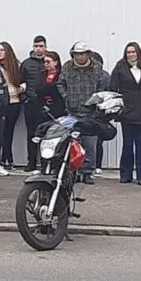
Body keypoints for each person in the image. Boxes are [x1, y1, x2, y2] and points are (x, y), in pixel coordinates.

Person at [57, 41, 106, 185]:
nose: (79, 57)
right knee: (73, 143)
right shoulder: (67, 67)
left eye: (82, 54)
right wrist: (66, 97)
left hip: (91, 113)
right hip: (72, 111)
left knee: (90, 144)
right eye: (77, 54)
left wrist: (96, 101)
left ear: (87, 54)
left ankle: (87, 172)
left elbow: (102, 86)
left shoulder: (97, 68)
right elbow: (60, 83)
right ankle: (73, 172)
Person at [110, 42, 141, 185]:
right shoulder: (119, 67)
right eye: (128, 52)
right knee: (127, 142)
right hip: (127, 109)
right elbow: (113, 87)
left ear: (138, 52)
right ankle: (125, 174)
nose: (131, 54)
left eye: (133, 52)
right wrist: (118, 106)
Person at [0, 42, 24, 176]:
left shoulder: (16, 65)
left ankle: (8, 158)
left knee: (8, 132)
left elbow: (22, 82)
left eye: (2, 50)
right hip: (2, 102)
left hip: (14, 101)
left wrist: (22, 88)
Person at [20, 35, 47, 173]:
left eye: (41, 46)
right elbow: (21, 82)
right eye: (36, 46)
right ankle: (31, 162)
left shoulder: (49, 62)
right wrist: (26, 97)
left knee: (45, 134)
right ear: (33, 47)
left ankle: (44, 163)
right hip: (30, 103)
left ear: (45, 47)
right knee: (31, 134)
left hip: (46, 105)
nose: (38, 49)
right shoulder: (26, 63)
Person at [36, 51, 65, 119]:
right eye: (44, 62)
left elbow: (58, 88)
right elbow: (37, 89)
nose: (46, 64)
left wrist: (48, 87)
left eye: (48, 62)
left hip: (57, 105)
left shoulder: (61, 75)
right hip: (43, 105)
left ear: (55, 62)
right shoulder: (42, 74)